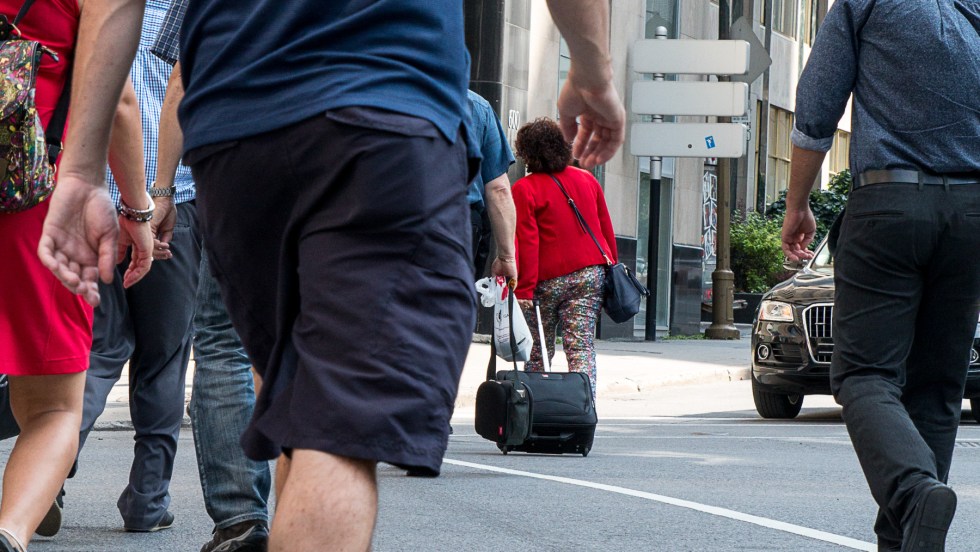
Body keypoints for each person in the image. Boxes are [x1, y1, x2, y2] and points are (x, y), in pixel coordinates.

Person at [38, 0, 625, 550]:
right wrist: (592, 70)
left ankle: (246, 512)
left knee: (291, 394)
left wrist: (86, 170)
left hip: (234, 132)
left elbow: (127, 18)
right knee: (338, 427)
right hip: (382, 107)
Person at [781, 2, 980, 550]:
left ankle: (914, 491)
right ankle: (909, 534)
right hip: (971, 214)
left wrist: (798, 204)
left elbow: (817, 108)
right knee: (937, 388)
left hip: (888, 205)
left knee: (864, 374)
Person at [0, 0, 153, 548]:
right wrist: (138, 212)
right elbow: (118, 103)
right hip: (36, 200)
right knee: (54, 407)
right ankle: (10, 530)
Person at [68, 0, 203, 534]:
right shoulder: (189, 8)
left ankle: (47, 475)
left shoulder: (95, 8)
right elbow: (188, 90)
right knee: (165, 359)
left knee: (96, 349)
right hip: (170, 202)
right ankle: (148, 500)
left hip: (96, 198)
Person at [149, 1, 272, 549]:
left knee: (224, 343)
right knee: (319, 339)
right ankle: (315, 511)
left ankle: (241, 518)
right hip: (342, 153)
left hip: (238, 159)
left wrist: (162, 190)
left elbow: (183, 77)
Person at [511, 117, 617, 399]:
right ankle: (584, 406)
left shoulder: (524, 188)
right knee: (581, 346)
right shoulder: (587, 180)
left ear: (527, 153)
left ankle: (538, 406)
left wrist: (524, 289)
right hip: (589, 276)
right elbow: (605, 229)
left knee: (538, 349)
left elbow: (528, 242)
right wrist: (611, 269)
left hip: (546, 281)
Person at [466, 90, 518, 281]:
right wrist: (507, 257)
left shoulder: (387, 90)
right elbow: (498, 189)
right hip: (460, 225)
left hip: (393, 219)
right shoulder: (477, 106)